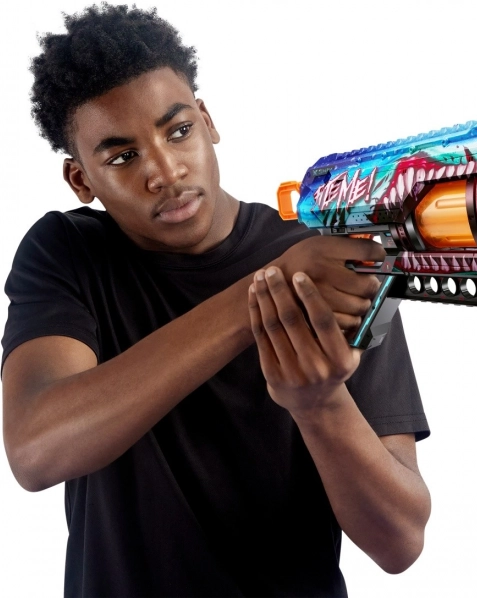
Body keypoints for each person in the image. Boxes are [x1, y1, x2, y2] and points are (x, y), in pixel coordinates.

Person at [1, 4, 431, 597]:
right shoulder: (68, 252)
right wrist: (256, 296)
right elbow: (34, 449)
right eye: (122, 157)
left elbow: (400, 542)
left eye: (178, 131)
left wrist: (319, 406)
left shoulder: (327, 261)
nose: (166, 171)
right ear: (81, 180)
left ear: (206, 121)